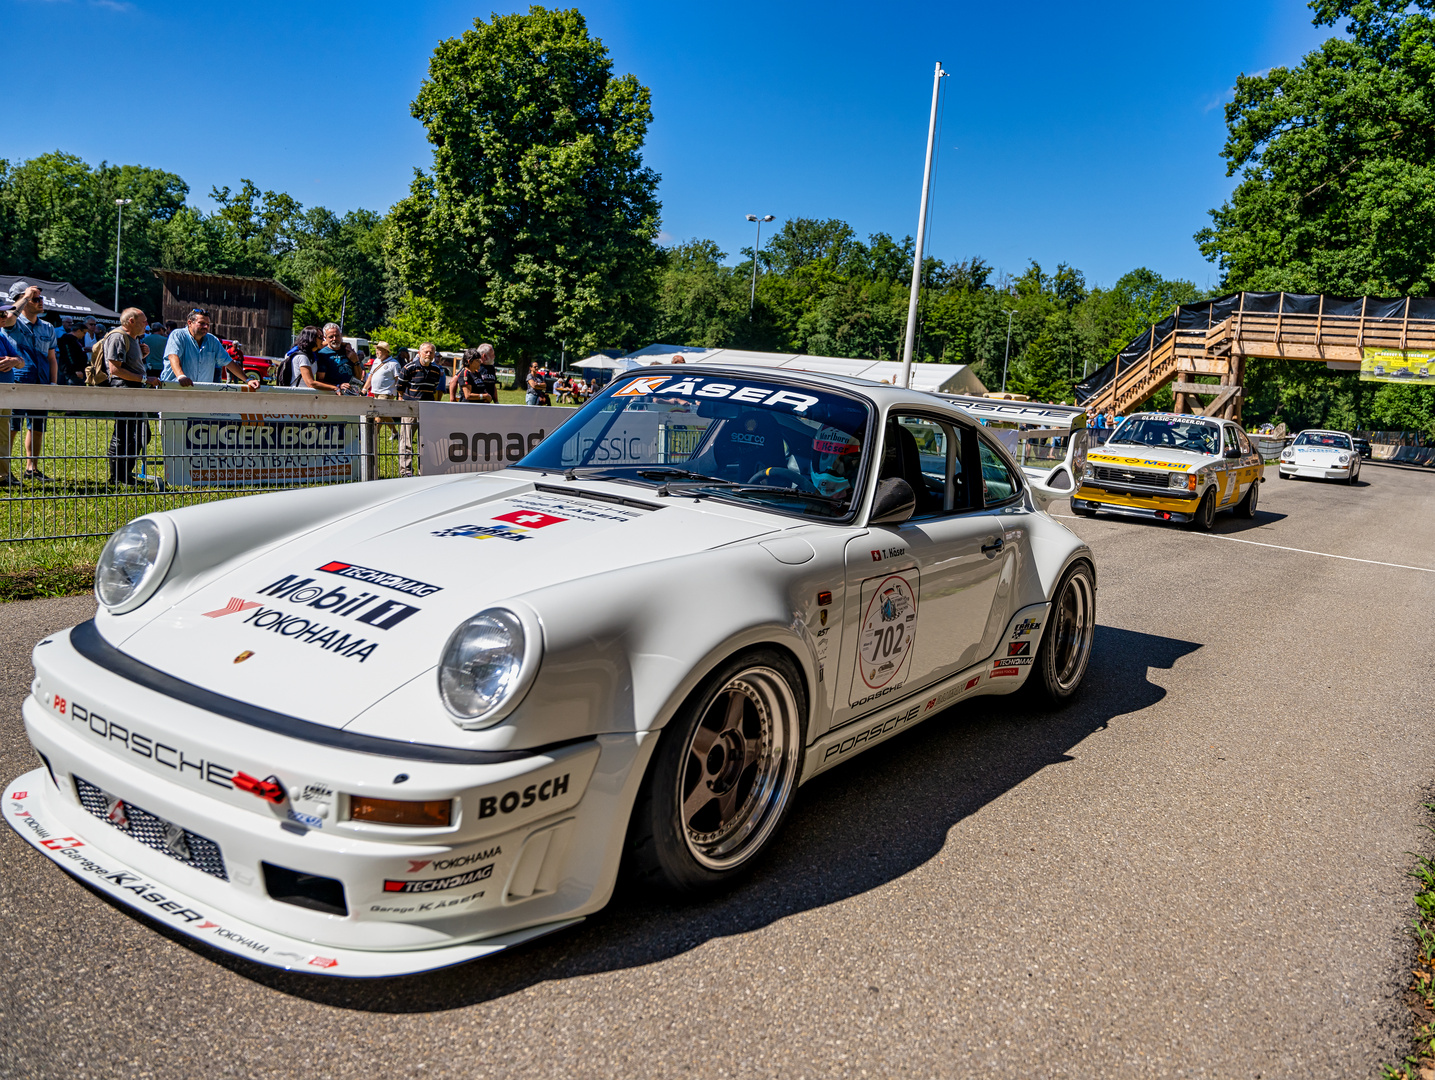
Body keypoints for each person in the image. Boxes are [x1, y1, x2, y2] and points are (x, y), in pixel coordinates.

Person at [7, 281, 59, 480]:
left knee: (37, 427)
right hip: (17, 382)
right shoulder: (12, 322)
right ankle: (4, 469)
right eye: (34, 299)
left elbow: (52, 358)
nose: (40, 302)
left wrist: (53, 384)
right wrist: (25, 297)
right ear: (22, 300)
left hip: (42, 383)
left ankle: (32, 469)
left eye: (41, 298)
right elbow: (10, 315)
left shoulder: (47, 327)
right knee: (12, 427)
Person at [103, 307, 160, 484]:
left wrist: (142, 356)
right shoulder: (118, 337)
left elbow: (128, 365)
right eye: (143, 322)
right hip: (124, 389)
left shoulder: (133, 339)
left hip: (134, 389)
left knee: (140, 434)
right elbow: (115, 370)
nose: (147, 325)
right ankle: (118, 477)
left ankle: (124, 474)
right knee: (124, 434)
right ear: (131, 321)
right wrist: (145, 379)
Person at [163, 309, 258, 388]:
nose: (206, 327)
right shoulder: (178, 335)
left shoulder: (212, 340)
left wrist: (247, 380)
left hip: (200, 393)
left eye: (208, 324)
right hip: (175, 389)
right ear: (189, 323)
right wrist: (181, 376)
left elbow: (228, 362)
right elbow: (173, 356)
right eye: (201, 323)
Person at [396, 342, 445, 477]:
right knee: (406, 441)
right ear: (419, 353)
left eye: (431, 352)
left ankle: (424, 470)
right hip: (410, 408)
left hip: (427, 410)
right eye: (426, 352)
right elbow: (400, 387)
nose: (428, 354)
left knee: (426, 442)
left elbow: (433, 388)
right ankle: (405, 471)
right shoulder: (409, 367)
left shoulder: (436, 370)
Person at [0, 301, 24, 487]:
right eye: (2, 315)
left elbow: (21, 362)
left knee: (2, 436)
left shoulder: (2, 337)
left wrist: (13, 360)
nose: (5, 318)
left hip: (6, 394)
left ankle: (3, 474)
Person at [55, 320, 88, 385]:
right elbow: (68, 355)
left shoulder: (75, 340)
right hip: (71, 373)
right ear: (78, 331)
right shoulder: (67, 339)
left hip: (77, 372)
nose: (84, 335)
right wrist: (76, 370)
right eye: (84, 333)